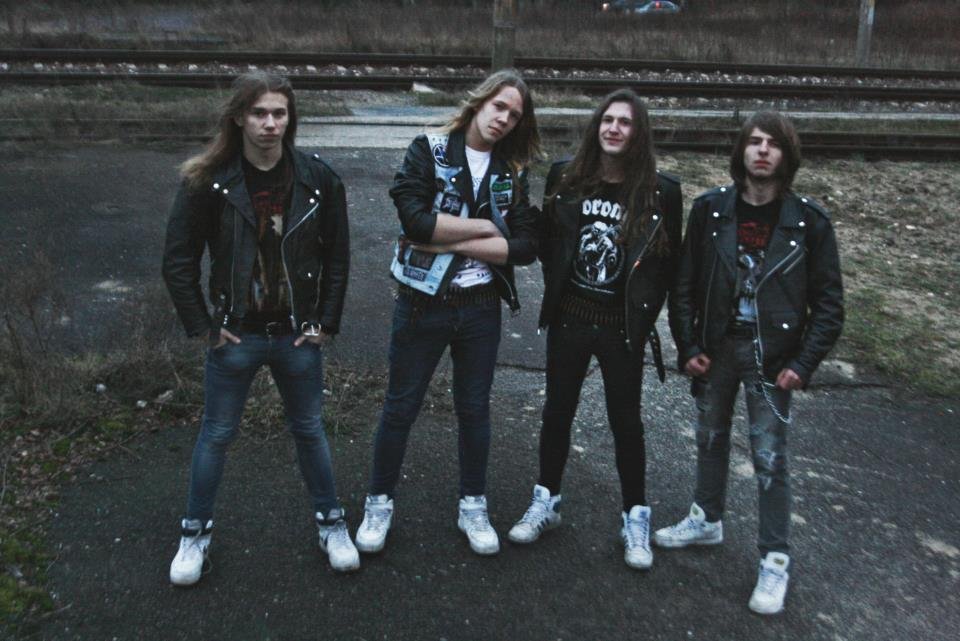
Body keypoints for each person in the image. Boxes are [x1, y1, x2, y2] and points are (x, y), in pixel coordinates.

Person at [162, 72, 355, 582]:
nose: (270, 123)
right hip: (237, 334)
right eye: (259, 113)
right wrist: (204, 325)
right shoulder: (208, 182)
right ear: (238, 118)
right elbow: (178, 260)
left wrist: (325, 322)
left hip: (296, 334)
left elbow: (338, 257)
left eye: (279, 113)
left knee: (310, 430)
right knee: (216, 433)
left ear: (290, 119)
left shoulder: (318, 179)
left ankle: (332, 523)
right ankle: (194, 534)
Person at [654, 111, 844, 614]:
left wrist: (803, 363)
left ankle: (775, 558)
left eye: (773, 143)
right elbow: (684, 285)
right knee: (709, 437)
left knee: (769, 457)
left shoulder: (809, 222)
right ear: (741, 151)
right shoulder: (711, 209)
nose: (762, 150)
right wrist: (687, 346)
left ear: (787, 155)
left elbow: (829, 305)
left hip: (772, 358)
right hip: (716, 347)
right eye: (754, 141)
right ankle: (706, 518)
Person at [354, 69, 541, 557]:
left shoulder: (511, 171)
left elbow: (526, 246)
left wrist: (449, 236)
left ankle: (473, 506)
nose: (503, 119)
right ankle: (378, 503)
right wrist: (486, 228)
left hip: (481, 309)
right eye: (499, 106)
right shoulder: (429, 149)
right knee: (400, 406)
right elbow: (415, 221)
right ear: (479, 102)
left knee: (474, 409)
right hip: (423, 303)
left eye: (514, 115)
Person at [506, 89, 682, 570]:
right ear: (596, 127)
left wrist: (643, 316)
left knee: (626, 421)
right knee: (556, 411)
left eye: (625, 122)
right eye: (607, 120)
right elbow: (549, 243)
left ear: (638, 133)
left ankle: (635, 517)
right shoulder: (566, 177)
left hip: (621, 327)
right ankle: (546, 501)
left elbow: (668, 266)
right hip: (571, 319)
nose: (614, 128)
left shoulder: (661, 192)